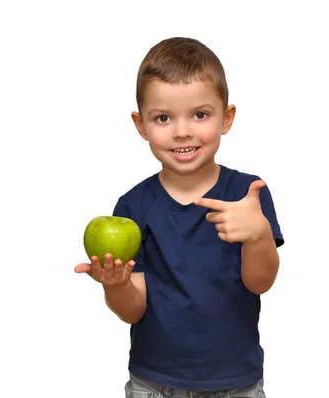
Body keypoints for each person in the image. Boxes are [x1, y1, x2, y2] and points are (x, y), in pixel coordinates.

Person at [75, 37, 284, 397]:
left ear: (226, 118)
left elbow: (260, 283)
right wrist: (115, 283)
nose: (182, 131)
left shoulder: (249, 195)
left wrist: (258, 236)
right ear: (141, 126)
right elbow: (133, 310)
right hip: (154, 383)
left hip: (235, 382)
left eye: (200, 114)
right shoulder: (132, 205)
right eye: (163, 118)